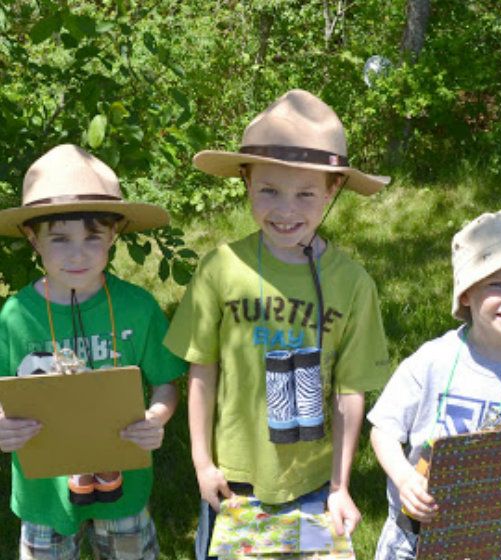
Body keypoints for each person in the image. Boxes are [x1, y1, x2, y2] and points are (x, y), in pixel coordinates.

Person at [164, 89, 391, 559]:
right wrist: (202, 463)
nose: (286, 210)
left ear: (332, 192)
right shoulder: (220, 269)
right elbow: (201, 371)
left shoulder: (352, 284)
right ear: (246, 184)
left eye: (306, 194)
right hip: (233, 480)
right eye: (269, 190)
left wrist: (340, 485)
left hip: (313, 482)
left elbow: (351, 393)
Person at [0, 144, 186, 560]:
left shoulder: (137, 307)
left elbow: (165, 384)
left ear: (114, 235)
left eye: (93, 237)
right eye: (60, 238)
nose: (77, 253)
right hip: (43, 493)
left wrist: (156, 417)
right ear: (33, 238)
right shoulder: (14, 316)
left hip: (125, 486)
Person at [368, 210, 501, 560]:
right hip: (416, 537)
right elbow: (383, 429)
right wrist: (404, 478)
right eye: (498, 284)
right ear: (467, 293)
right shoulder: (432, 361)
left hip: (499, 539)